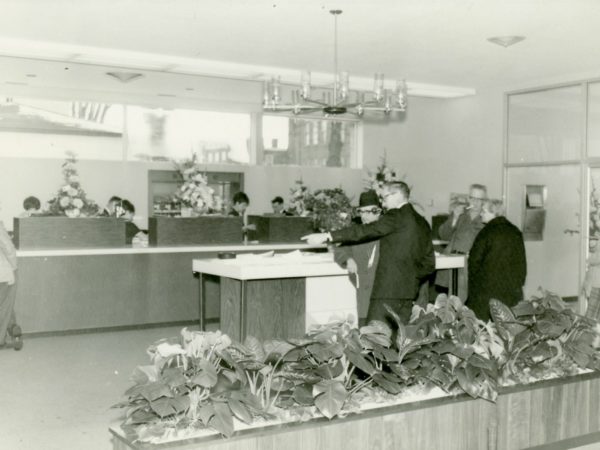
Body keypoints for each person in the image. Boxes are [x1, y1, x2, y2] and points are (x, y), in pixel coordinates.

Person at [303, 181, 435, 326]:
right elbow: (429, 264)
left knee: (373, 341)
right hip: (408, 294)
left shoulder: (395, 216)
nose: (383, 204)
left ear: (396, 195)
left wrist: (328, 236)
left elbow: (364, 231)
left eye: (384, 198)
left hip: (386, 293)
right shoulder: (423, 223)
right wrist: (410, 279)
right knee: (398, 342)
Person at [467, 199, 527, 321]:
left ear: (493, 213)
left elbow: (474, 262)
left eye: (484, 211)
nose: (480, 214)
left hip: (486, 293)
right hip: (510, 292)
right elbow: (521, 265)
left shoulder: (486, 232)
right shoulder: (515, 231)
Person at [333, 190, 382, 326]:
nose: (364, 217)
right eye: (361, 212)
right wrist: (348, 259)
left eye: (369, 212)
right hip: (363, 299)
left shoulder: (388, 232)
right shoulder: (356, 231)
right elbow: (339, 248)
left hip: (382, 296)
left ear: (378, 211)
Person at [435, 183, 487, 297]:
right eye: (473, 198)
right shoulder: (461, 215)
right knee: (452, 300)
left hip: (472, 266)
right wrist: (454, 218)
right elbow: (444, 235)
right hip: (453, 264)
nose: (475, 203)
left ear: (484, 201)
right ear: (468, 199)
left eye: (479, 199)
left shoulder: (486, 219)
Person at [0, 212, 22, 350]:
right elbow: (8, 247)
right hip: (2, 274)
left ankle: (14, 329)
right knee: (4, 306)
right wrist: (13, 268)